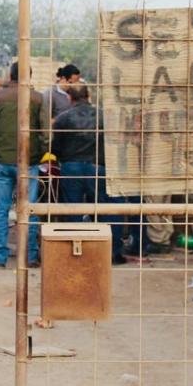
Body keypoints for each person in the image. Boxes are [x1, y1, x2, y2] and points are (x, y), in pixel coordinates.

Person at [50, 84, 131, 264]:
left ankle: (74, 252)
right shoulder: (105, 117)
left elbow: (55, 147)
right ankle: (111, 253)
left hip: (71, 167)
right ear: (89, 95)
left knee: (73, 210)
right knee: (107, 209)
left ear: (70, 98)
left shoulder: (63, 118)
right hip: (99, 166)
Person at [0, 61, 47, 269]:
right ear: (30, 75)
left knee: (1, 208)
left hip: (2, 162)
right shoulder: (37, 98)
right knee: (29, 209)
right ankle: (30, 256)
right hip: (29, 162)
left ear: (10, 75)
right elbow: (46, 134)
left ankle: (0, 257)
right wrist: (38, 152)